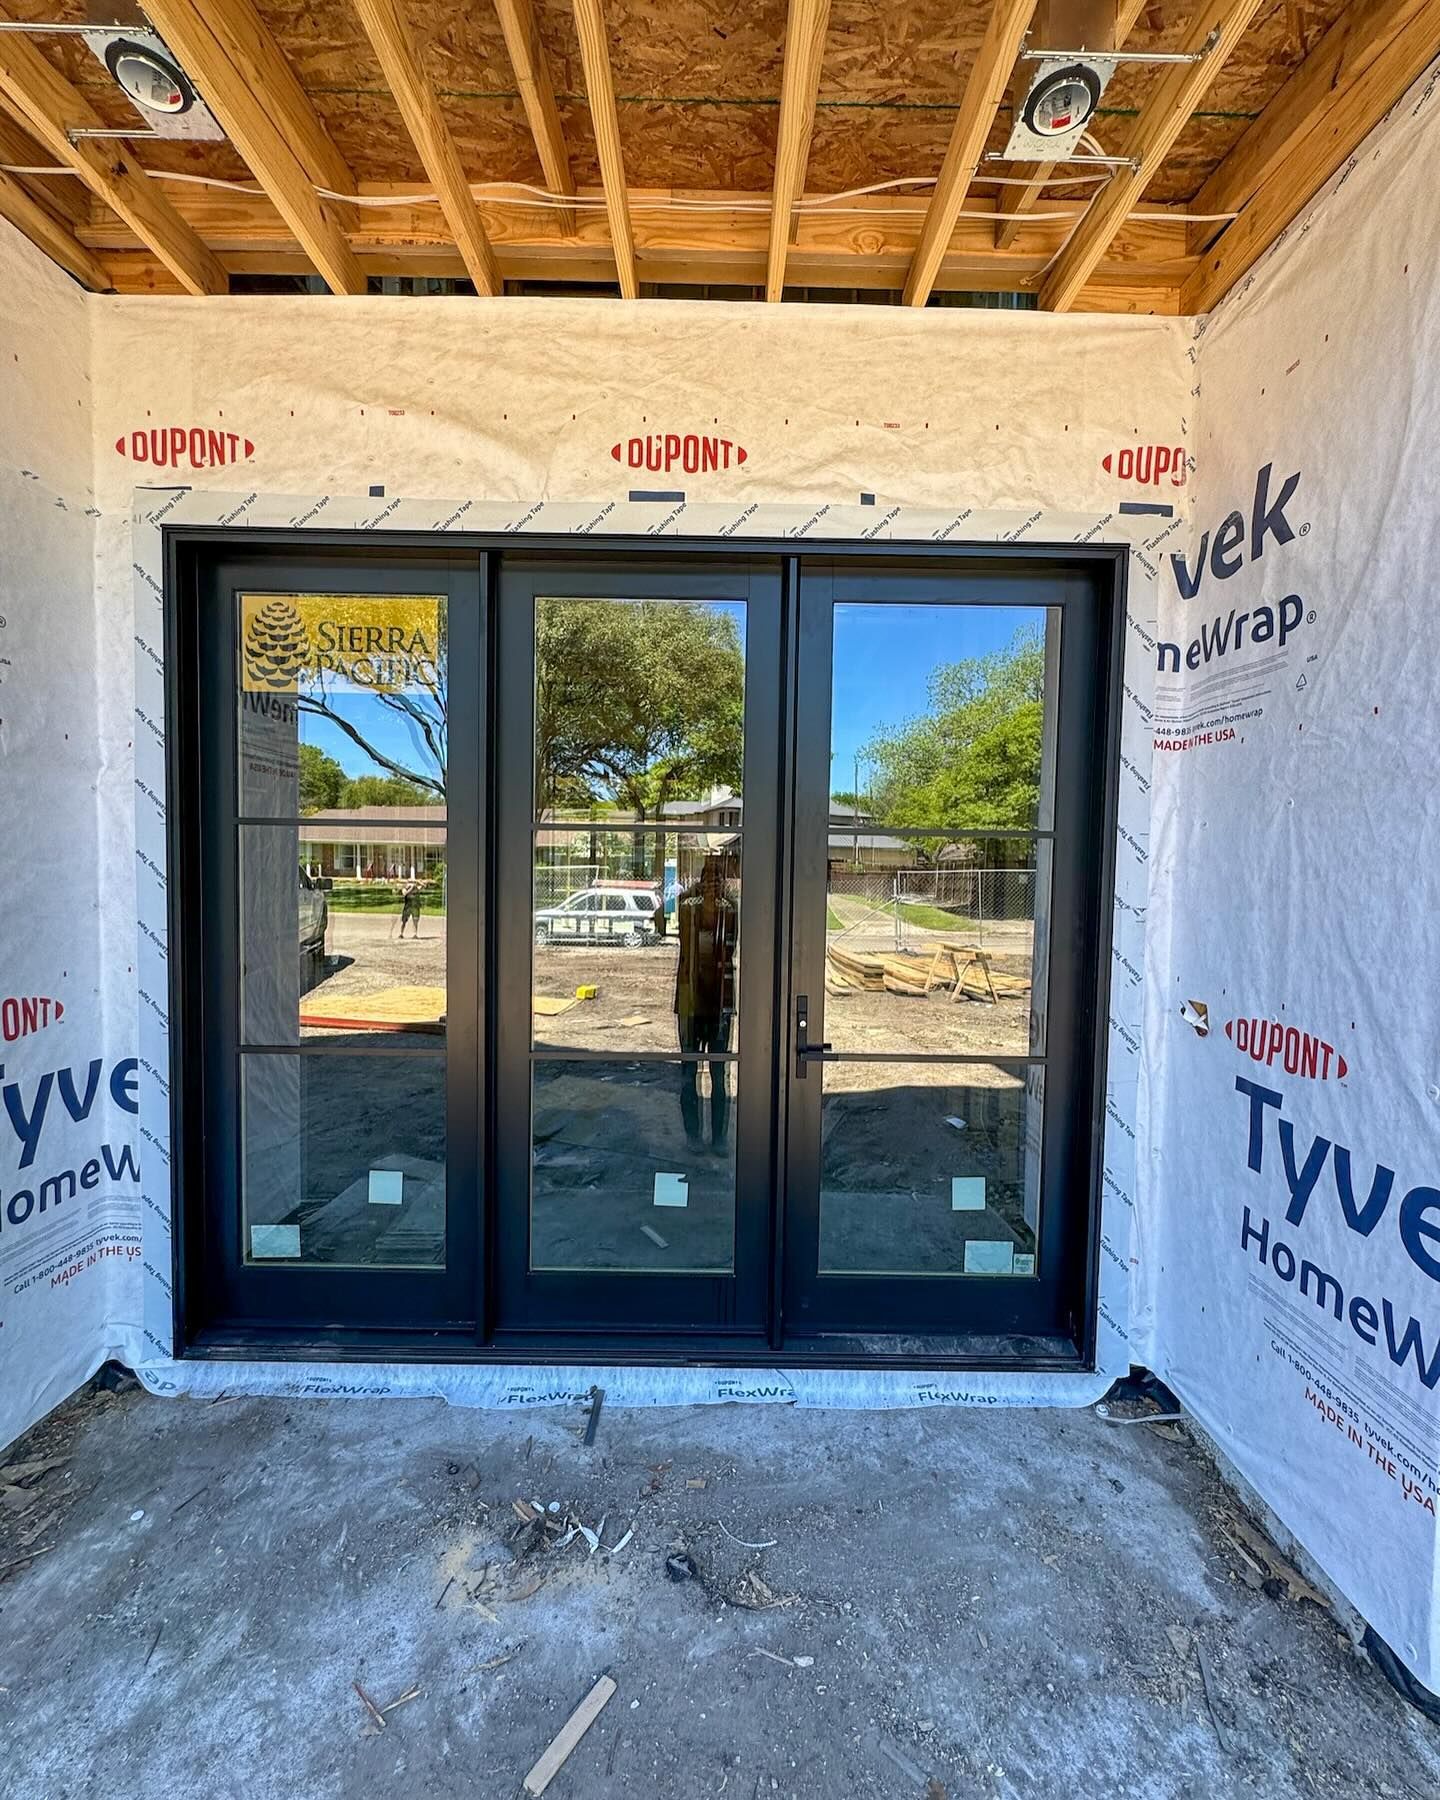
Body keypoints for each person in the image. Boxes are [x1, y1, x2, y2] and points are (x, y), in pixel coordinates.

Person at [673, 853, 738, 1146]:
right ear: (700, 882)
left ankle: (719, 1137)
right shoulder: (688, 908)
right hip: (691, 1000)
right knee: (689, 1071)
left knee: (719, 1072)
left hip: (719, 1001)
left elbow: (730, 948)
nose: (713, 883)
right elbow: (665, 919)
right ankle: (693, 1135)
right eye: (707, 878)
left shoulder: (730, 910)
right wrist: (694, 893)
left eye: (717, 878)